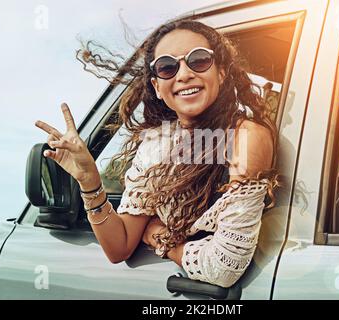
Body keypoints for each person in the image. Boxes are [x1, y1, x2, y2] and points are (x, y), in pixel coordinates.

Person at [35, 18, 279, 288]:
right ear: (156, 87)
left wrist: (157, 236)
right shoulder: (158, 143)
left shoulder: (246, 137)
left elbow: (222, 267)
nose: (184, 74)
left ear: (221, 73)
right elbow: (120, 247)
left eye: (198, 60)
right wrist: (89, 180)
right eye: (167, 67)